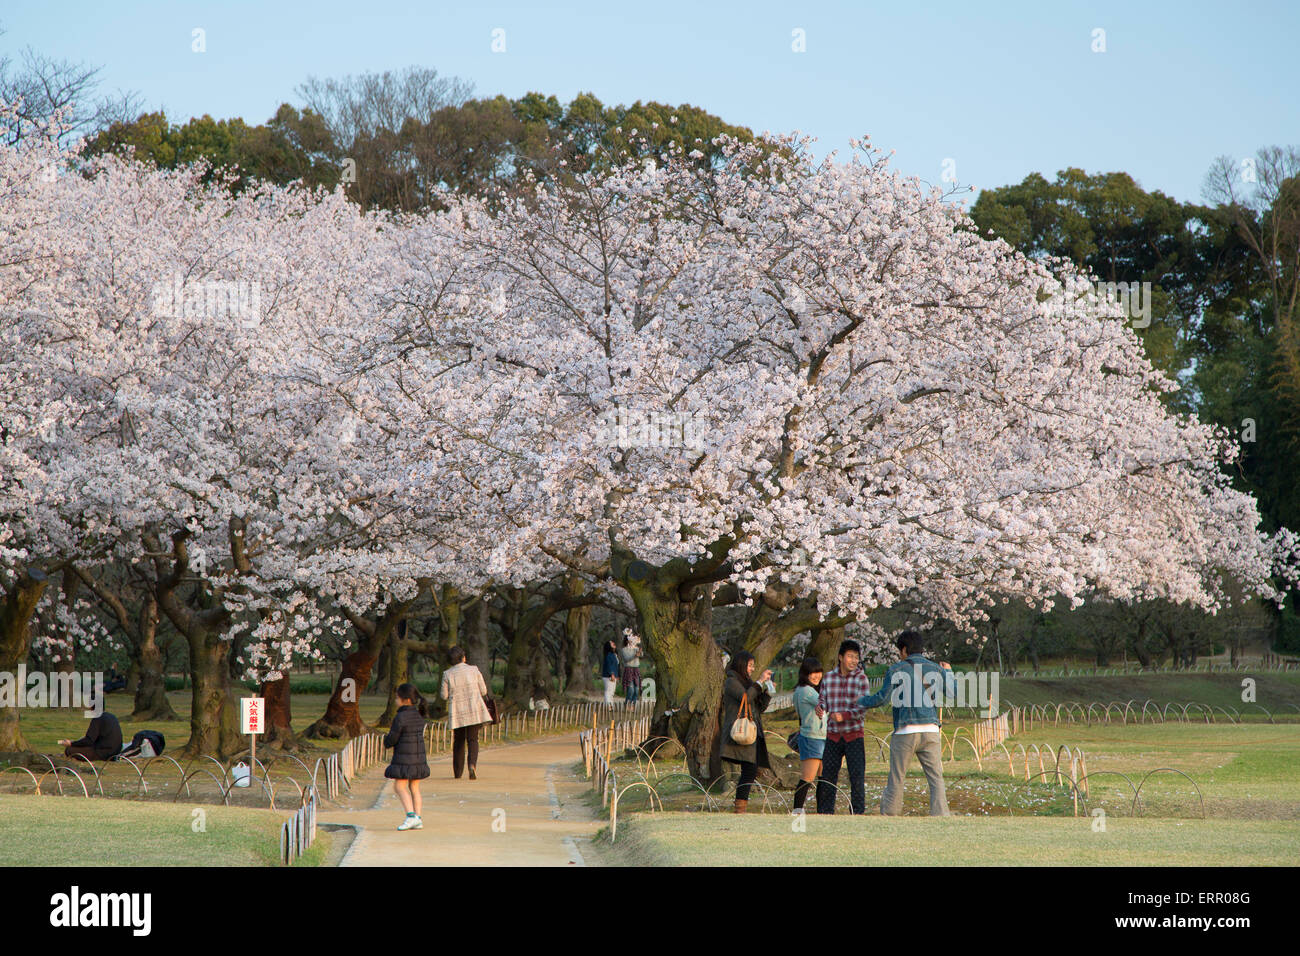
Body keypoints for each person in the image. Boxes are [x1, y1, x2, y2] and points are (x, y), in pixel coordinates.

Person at [855, 630, 956, 816]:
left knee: (897, 777)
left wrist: (860, 701)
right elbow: (952, 692)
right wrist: (948, 671)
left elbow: (882, 699)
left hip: (905, 731)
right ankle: (941, 815)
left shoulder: (896, 669)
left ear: (903, 650)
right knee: (936, 779)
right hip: (931, 730)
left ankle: (890, 815)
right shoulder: (936, 668)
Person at [711, 650, 772, 813]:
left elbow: (759, 707)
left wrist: (767, 693)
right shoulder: (731, 681)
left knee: (751, 770)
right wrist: (759, 682)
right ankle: (740, 807)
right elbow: (746, 697)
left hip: (753, 731)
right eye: (750, 665)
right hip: (741, 731)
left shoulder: (747, 682)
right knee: (749, 770)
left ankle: (741, 806)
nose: (752, 669)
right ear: (741, 665)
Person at [815, 638, 871, 814]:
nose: (854, 661)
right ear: (840, 657)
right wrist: (820, 708)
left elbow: (863, 708)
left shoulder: (861, 679)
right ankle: (826, 812)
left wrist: (844, 716)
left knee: (856, 775)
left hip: (854, 734)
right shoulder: (829, 678)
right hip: (832, 735)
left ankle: (858, 812)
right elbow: (822, 700)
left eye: (856, 657)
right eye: (850, 656)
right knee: (828, 776)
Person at [440, 645, 493, 779]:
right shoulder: (474, 670)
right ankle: (472, 765)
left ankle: (457, 773)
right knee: (473, 739)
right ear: (463, 657)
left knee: (458, 741)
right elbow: (484, 691)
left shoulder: (447, 674)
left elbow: (443, 695)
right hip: (474, 709)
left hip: (457, 712)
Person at [383, 682, 430, 830]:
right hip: (418, 757)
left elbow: (393, 738)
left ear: (406, 700)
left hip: (405, 757)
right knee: (414, 787)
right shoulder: (418, 715)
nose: (395, 701)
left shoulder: (400, 717)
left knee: (399, 786)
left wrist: (386, 741)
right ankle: (418, 818)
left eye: (397, 698)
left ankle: (411, 816)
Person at [791, 656, 827, 814]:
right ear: (805, 674)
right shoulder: (806, 691)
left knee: (823, 778)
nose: (817, 676)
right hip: (812, 738)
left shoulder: (804, 690)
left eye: (819, 672)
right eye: (813, 673)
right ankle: (797, 811)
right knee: (807, 778)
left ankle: (822, 811)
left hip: (819, 737)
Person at [619, 636, 641, 707]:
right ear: (627, 641)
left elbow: (641, 654)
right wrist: (635, 655)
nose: (632, 642)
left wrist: (639, 651)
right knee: (631, 689)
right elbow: (626, 658)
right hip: (629, 670)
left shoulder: (636, 648)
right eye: (630, 640)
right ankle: (627, 704)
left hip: (636, 669)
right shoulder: (624, 649)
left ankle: (633, 705)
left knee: (636, 689)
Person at [600, 640, 620, 704]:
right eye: (611, 643)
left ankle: (610, 705)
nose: (613, 643)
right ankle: (608, 705)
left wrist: (617, 676)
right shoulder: (609, 655)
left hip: (613, 676)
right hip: (608, 676)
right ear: (608, 646)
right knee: (608, 691)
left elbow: (615, 666)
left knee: (612, 692)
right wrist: (612, 674)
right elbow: (609, 665)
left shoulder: (614, 655)